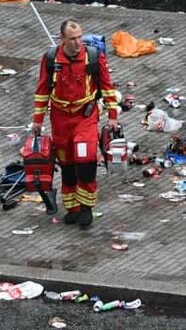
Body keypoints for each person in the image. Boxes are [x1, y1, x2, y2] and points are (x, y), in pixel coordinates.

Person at [32, 20, 118, 229]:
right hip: (60, 119)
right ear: (62, 39)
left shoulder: (94, 57)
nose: (78, 42)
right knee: (67, 164)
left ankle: (86, 207)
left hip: (84, 117)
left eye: (80, 37)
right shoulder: (50, 59)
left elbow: (107, 86)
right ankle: (72, 208)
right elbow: (42, 90)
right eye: (73, 39)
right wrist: (37, 120)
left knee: (86, 158)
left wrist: (112, 115)